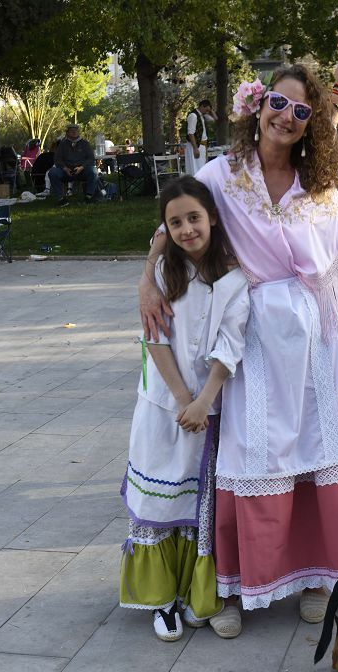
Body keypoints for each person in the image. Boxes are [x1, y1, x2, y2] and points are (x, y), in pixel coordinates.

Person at [139, 54, 338, 635]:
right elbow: (169, 225)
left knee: (316, 451)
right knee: (252, 454)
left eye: (302, 110)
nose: (287, 116)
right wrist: (144, 280)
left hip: (315, 338)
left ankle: (319, 575)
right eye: (278, 102)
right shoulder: (222, 173)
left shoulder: (322, 186)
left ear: (313, 123)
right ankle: (233, 585)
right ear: (258, 105)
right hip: (250, 337)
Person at [120, 176, 249, 642]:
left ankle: (198, 592)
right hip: (163, 405)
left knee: (200, 504)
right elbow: (154, 340)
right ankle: (163, 599)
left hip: (209, 408)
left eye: (194, 218)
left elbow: (231, 345)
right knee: (162, 496)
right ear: (165, 229)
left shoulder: (234, 277)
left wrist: (204, 402)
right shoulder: (161, 276)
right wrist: (181, 401)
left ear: (212, 217)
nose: (187, 229)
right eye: (175, 222)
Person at [47, 124, 99, 207]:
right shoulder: (62, 144)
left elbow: (91, 159)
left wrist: (81, 167)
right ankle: (61, 200)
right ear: (67, 133)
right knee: (52, 172)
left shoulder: (85, 143)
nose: (74, 132)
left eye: (76, 130)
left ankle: (89, 197)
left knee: (94, 171)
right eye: (71, 131)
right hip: (66, 171)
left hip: (82, 170)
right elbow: (57, 159)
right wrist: (65, 168)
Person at [184, 100, 215, 176]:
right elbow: (191, 133)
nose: (207, 112)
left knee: (202, 169)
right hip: (196, 146)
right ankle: (195, 186)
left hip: (202, 146)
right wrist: (195, 148)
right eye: (206, 110)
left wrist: (211, 111)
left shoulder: (202, 115)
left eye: (208, 110)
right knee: (196, 169)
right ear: (201, 106)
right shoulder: (193, 115)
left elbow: (214, 119)